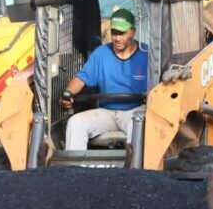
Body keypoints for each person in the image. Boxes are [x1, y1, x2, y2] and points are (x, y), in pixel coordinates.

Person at [60, 8, 148, 150]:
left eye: (122, 33)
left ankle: (135, 170)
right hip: (107, 112)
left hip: (135, 110)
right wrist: (68, 93)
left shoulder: (147, 54)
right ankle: (74, 170)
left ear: (133, 31)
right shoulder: (101, 54)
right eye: (114, 33)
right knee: (75, 123)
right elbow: (81, 79)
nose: (117, 38)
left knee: (137, 124)